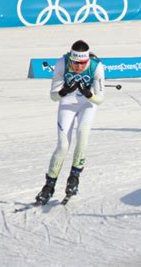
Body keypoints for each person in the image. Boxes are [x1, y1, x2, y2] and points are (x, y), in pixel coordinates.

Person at [35, 40, 105, 204]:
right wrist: (64, 90)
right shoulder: (62, 63)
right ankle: (49, 185)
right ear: (70, 59)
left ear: (87, 60)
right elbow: (53, 97)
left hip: (88, 104)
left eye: (82, 63)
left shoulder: (97, 67)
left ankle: (74, 176)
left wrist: (89, 94)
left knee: (82, 134)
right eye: (75, 63)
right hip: (67, 103)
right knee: (63, 146)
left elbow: (100, 100)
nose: (78, 67)